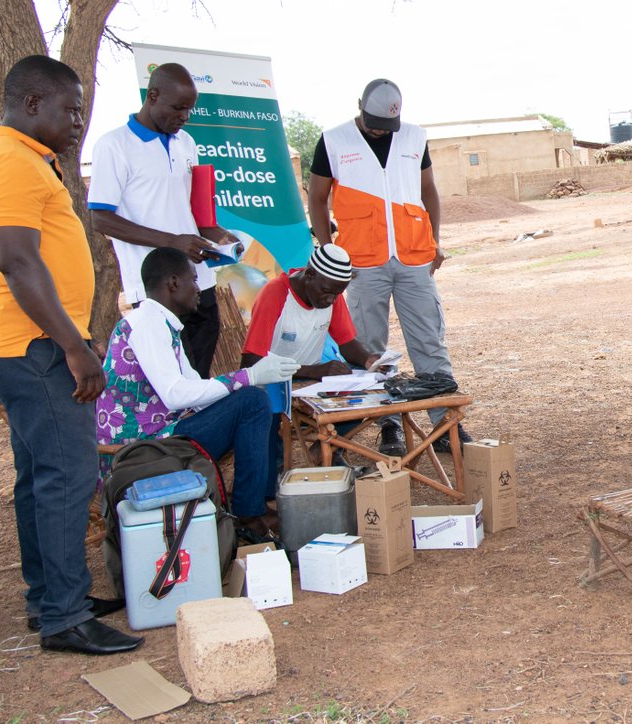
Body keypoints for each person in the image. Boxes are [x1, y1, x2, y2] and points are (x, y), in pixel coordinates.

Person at [0, 55, 141, 655]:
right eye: (70, 110)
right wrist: (74, 346)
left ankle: (50, 599)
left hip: (33, 341)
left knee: (40, 475)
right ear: (32, 103)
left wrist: (75, 335)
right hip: (32, 345)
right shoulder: (12, 162)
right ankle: (65, 616)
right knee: (66, 476)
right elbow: (18, 262)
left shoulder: (25, 160)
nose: (77, 123)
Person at [307, 78, 470, 458]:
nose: (381, 129)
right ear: (359, 105)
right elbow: (317, 198)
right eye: (374, 121)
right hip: (361, 263)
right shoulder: (333, 140)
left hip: (414, 257)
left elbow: (428, 191)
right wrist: (329, 252)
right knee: (369, 349)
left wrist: (435, 241)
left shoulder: (414, 137)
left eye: (387, 124)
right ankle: (388, 426)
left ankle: (445, 425)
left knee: (429, 342)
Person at [96, 247, 300, 536]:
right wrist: (247, 376)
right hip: (141, 450)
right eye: (193, 280)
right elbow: (175, 395)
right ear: (173, 283)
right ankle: (249, 514)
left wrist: (246, 384)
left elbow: (195, 390)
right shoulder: (146, 324)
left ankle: (252, 507)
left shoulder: (162, 325)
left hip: (160, 436)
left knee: (252, 400)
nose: (199, 289)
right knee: (253, 400)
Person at [89, 63, 239, 378]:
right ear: (153, 96)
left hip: (199, 281)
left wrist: (220, 237)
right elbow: (101, 219)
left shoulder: (187, 143)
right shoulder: (114, 145)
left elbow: (196, 212)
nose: (185, 116)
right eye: (178, 108)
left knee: (199, 374)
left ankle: (196, 428)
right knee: (170, 380)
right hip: (156, 288)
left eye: (190, 109)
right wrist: (173, 242)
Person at [241, 243, 381, 469]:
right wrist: (311, 371)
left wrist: (368, 360)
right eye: (326, 291)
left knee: (362, 396)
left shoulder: (331, 293)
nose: (330, 300)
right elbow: (251, 362)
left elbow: (347, 343)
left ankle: (329, 450)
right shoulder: (276, 293)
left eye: (337, 294)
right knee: (266, 412)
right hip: (270, 382)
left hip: (310, 380)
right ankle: (272, 479)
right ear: (310, 274)